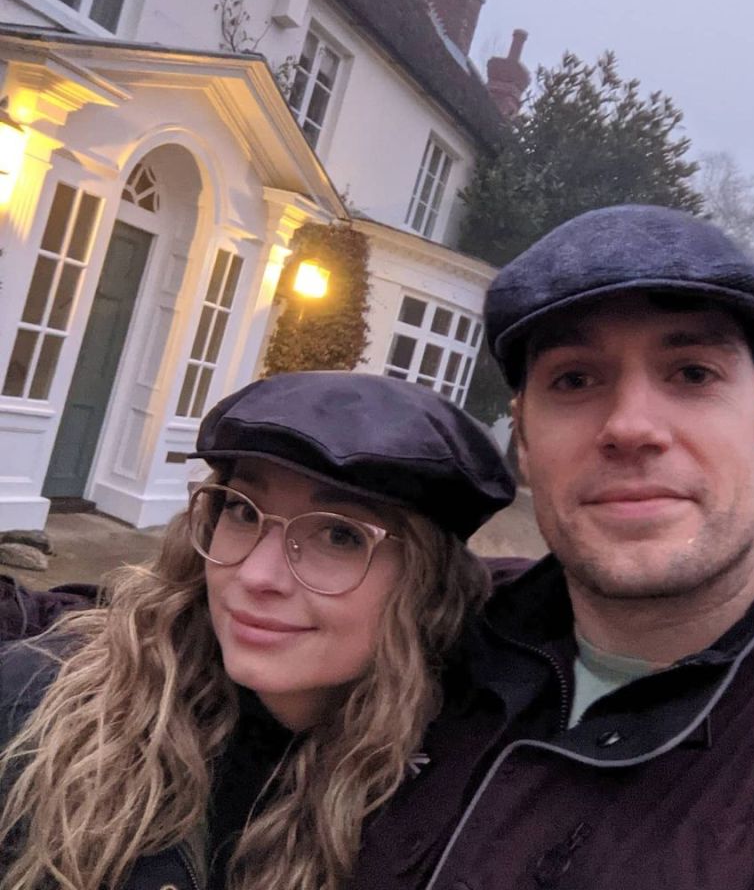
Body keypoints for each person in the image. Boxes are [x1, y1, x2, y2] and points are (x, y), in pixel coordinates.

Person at [351, 205, 754, 890]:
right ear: (523, 441)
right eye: (575, 379)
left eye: (692, 373)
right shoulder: (427, 640)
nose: (631, 426)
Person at [0, 371, 515, 890]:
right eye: (242, 510)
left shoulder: (445, 817)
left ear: (427, 587)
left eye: (339, 535)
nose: (254, 575)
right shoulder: (43, 709)